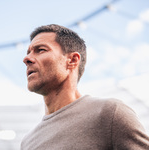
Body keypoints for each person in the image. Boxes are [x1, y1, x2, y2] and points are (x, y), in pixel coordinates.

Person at [21, 24, 149, 150]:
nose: (26, 58)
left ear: (72, 60)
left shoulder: (110, 113)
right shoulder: (27, 142)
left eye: (41, 50)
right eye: (28, 52)